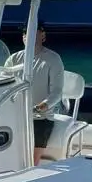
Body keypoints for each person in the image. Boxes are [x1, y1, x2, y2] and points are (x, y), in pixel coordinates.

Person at [28, 23, 64, 164]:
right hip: (17, 116)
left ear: (43, 36)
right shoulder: (14, 59)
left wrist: (41, 107)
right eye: (27, 33)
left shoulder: (53, 59)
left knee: (31, 161)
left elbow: (57, 93)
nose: (30, 36)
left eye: (35, 33)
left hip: (40, 118)